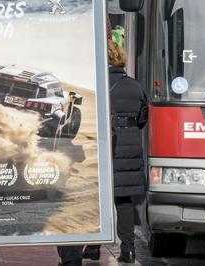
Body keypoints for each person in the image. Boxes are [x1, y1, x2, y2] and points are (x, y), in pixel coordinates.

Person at [58, 38, 148, 265]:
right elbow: (143, 118)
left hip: (100, 147)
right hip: (128, 151)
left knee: (87, 200)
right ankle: (128, 250)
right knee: (123, 199)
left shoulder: (91, 84)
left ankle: (86, 249)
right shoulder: (135, 86)